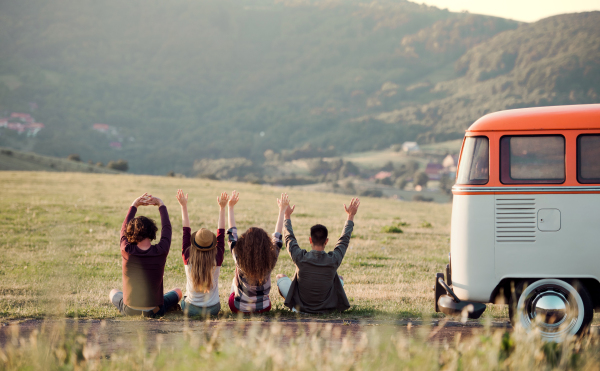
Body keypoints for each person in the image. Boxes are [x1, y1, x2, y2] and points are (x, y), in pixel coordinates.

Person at [276, 197, 360, 314]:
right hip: (326, 308)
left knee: (280, 277)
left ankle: (294, 307)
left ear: (310, 240)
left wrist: (287, 216)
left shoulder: (300, 257)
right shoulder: (334, 259)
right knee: (339, 279)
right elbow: (344, 239)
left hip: (301, 307)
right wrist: (350, 216)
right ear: (326, 241)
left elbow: (288, 238)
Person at [109, 193, 182, 317]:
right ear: (153, 231)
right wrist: (161, 205)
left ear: (129, 232)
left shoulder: (126, 249)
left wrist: (134, 205)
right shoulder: (161, 250)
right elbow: (167, 229)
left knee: (113, 292)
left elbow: (123, 229)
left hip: (130, 310)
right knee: (178, 292)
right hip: (155, 310)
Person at [227, 190, 287, 314]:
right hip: (263, 308)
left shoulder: (239, 258)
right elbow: (277, 237)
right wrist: (282, 211)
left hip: (238, 308)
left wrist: (230, 207)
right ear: (266, 244)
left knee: (235, 278)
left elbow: (232, 235)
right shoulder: (271, 258)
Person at [176, 189, 226, 316]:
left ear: (194, 243)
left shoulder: (187, 255)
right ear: (212, 244)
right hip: (213, 309)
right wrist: (222, 208)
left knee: (180, 295)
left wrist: (183, 206)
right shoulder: (217, 256)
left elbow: (185, 231)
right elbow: (221, 234)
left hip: (190, 309)